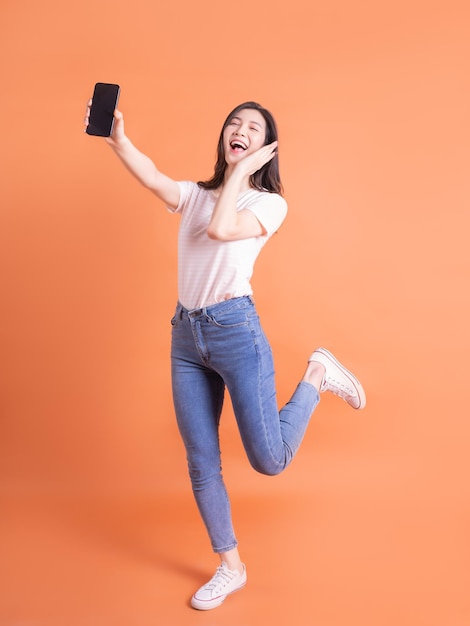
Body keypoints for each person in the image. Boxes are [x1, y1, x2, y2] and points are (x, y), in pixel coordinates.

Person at [84, 98, 366, 611]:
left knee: (270, 461)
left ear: (265, 149)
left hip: (236, 333)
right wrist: (118, 139)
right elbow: (153, 179)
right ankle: (230, 566)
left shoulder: (269, 204)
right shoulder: (197, 195)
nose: (239, 129)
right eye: (234, 123)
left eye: (253, 128)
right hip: (186, 339)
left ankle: (317, 373)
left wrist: (239, 174)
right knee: (201, 462)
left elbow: (221, 229)